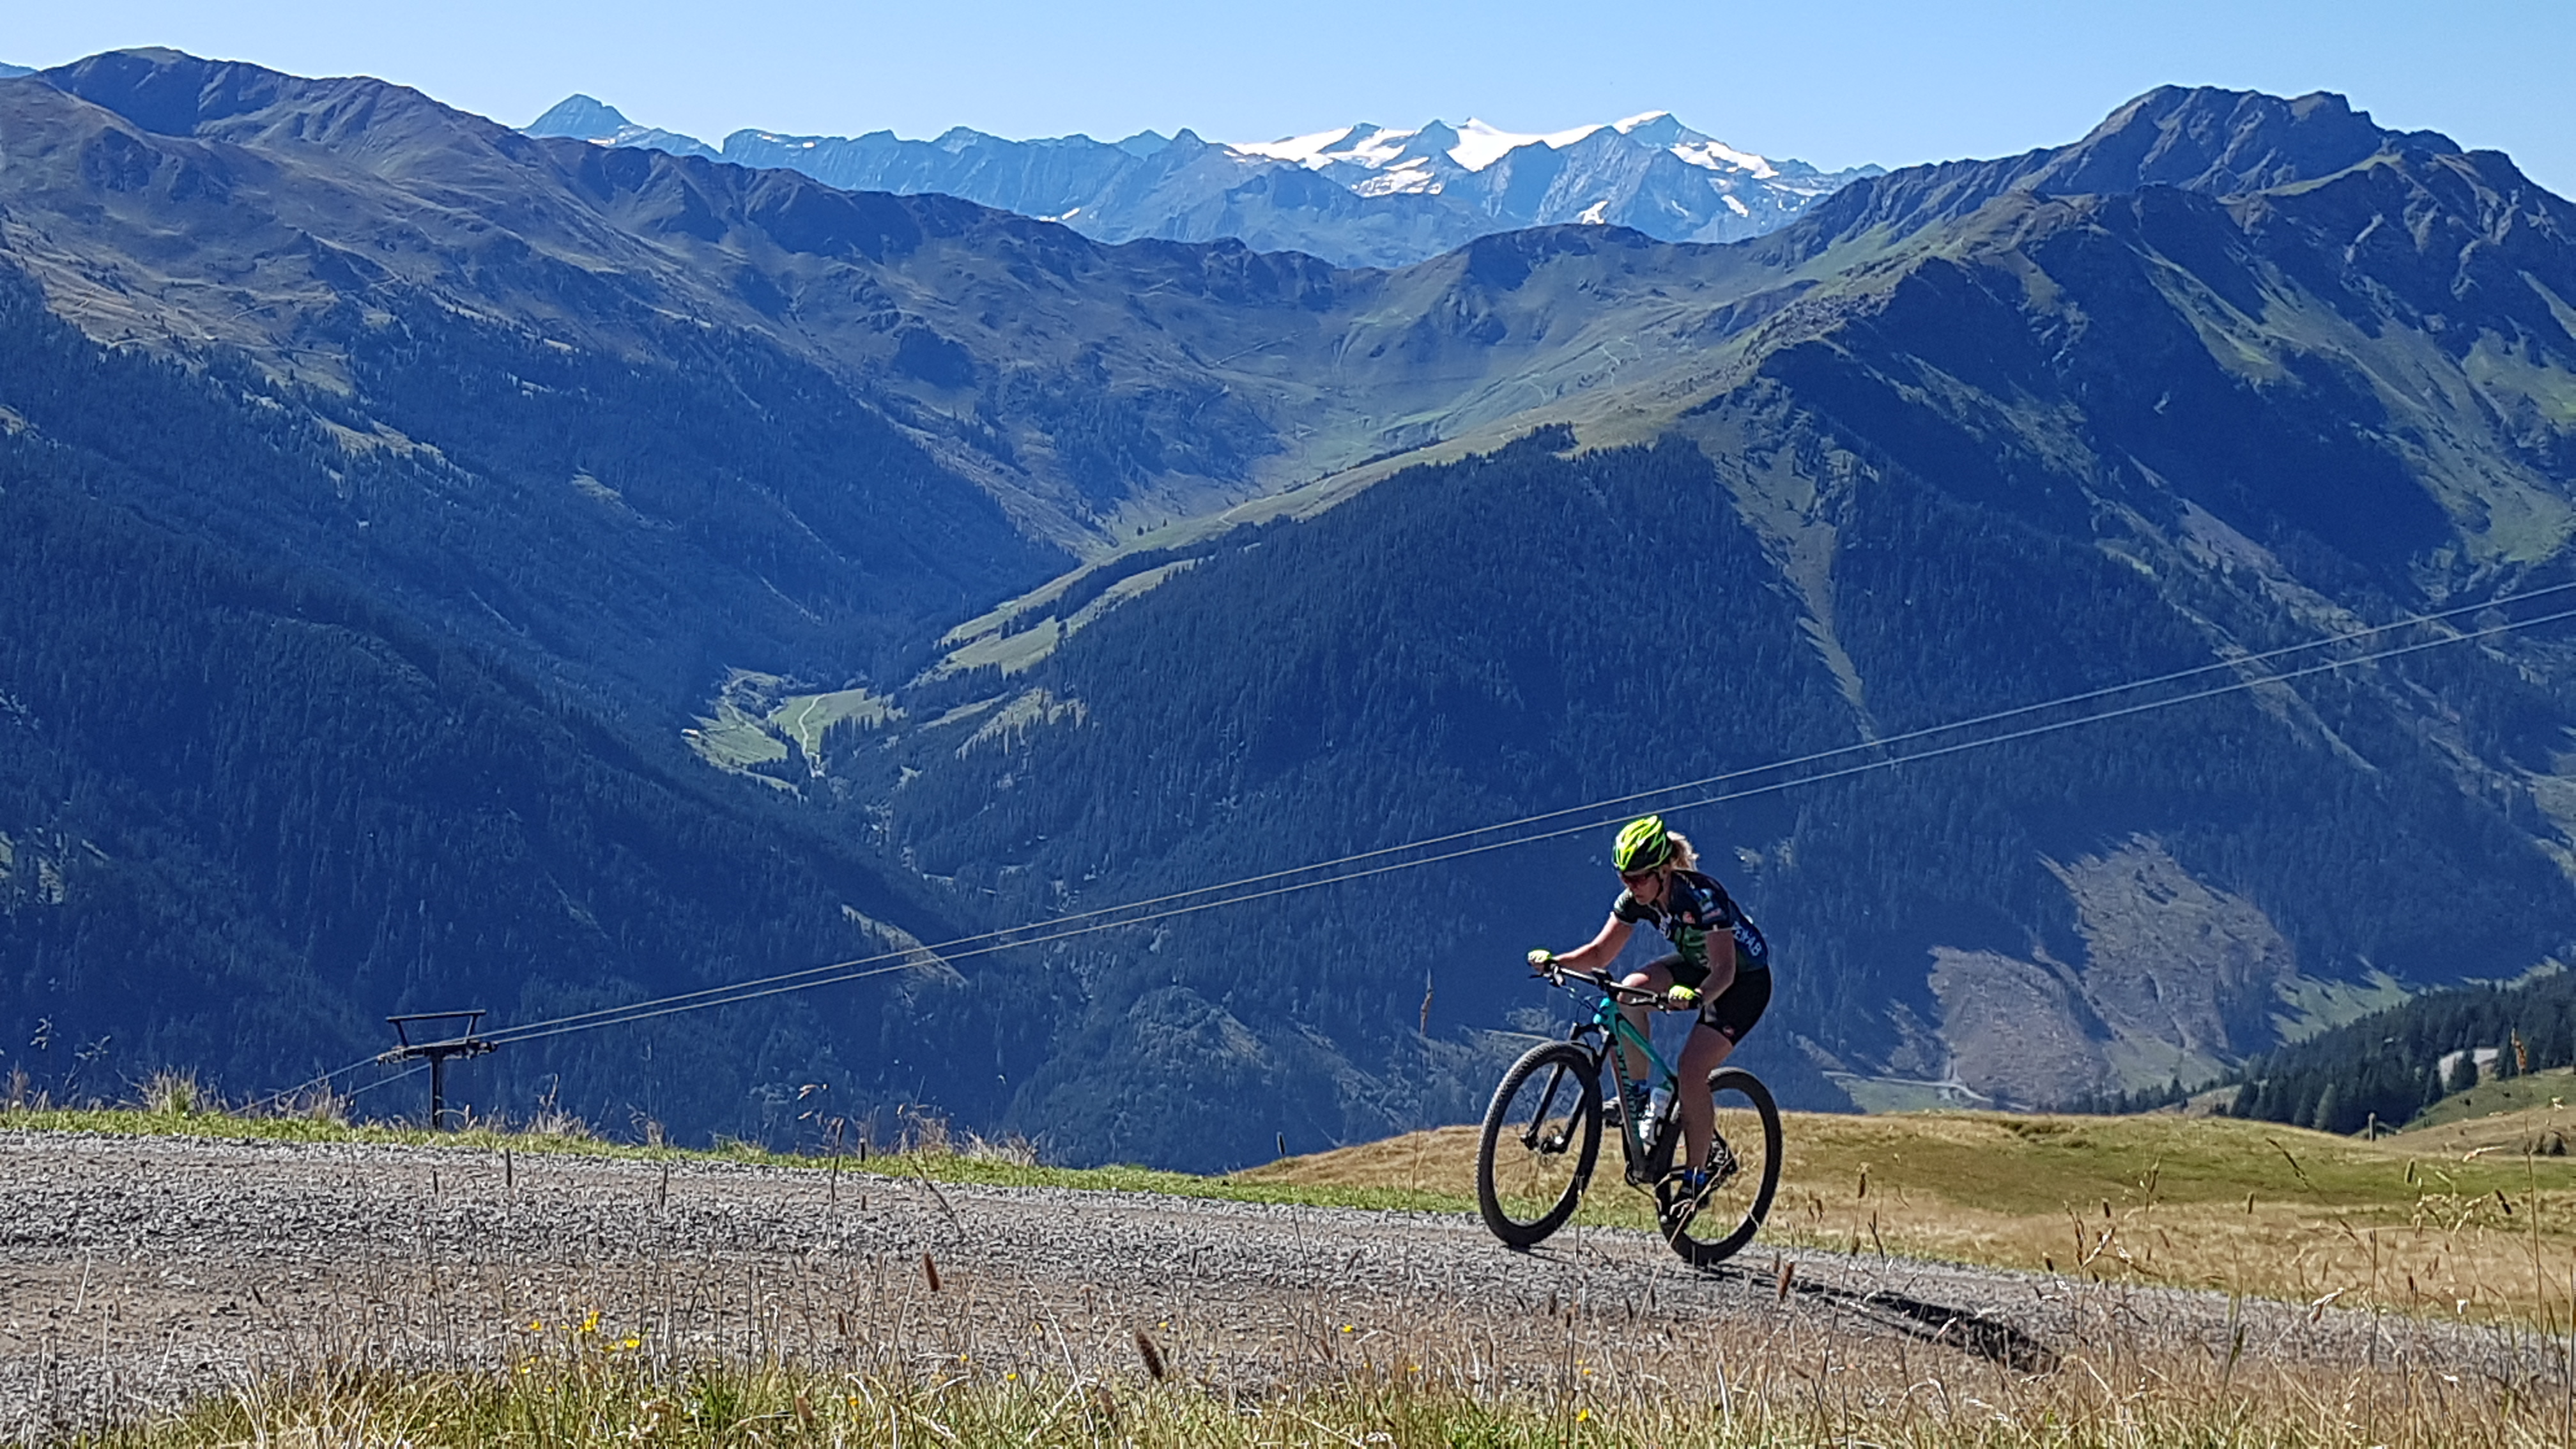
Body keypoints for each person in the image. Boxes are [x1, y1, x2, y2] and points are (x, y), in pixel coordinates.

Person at [1526, 813, 1772, 1204]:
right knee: (1625, 994)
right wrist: (1557, 961)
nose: (1631, 886)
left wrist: (1695, 997)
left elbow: (1724, 971)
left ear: (1663, 871)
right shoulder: (1635, 900)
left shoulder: (1702, 897)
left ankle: (1696, 1178)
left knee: (1692, 1068)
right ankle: (1640, 1101)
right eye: (1624, 877)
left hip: (1743, 981)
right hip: (1698, 964)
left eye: (1639, 878)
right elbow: (1600, 952)